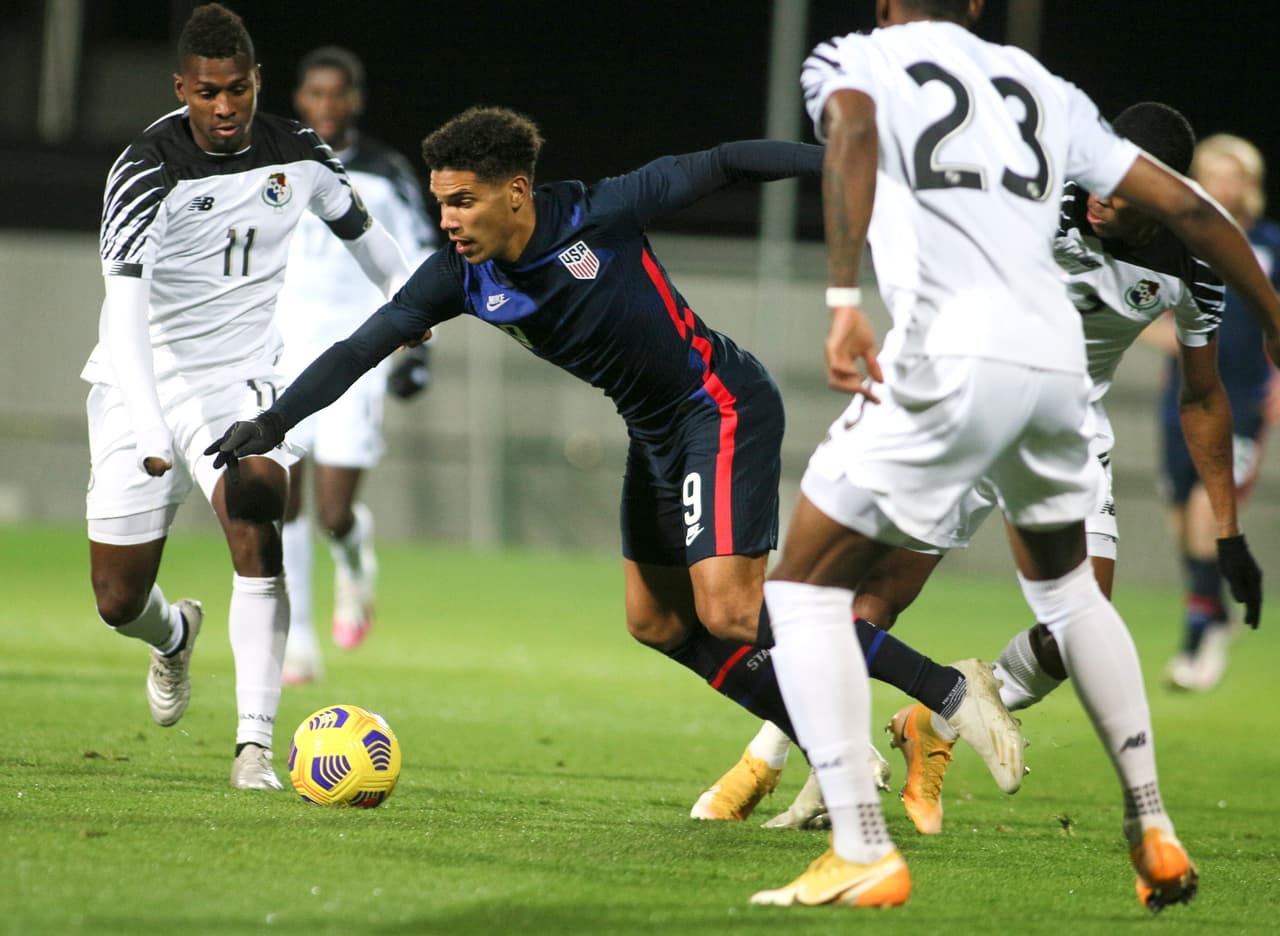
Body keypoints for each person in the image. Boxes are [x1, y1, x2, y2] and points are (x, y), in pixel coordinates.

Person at [205, 106, 1021, 807]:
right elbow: (359, 347)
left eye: (462, 203)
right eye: (440, 203)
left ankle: (950, 691)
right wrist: (273, 422)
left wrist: (842, 162)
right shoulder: (458, 276)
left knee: (733, 613)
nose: (447, 221)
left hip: (718, 404)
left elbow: (726, 163)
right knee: (657, 622)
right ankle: (832, 751)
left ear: (516, 193)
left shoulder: (600, 212)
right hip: (654, 428)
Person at [750, 0, 1280, 913]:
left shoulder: (857, 55)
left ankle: (859, 843)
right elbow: (1195, 211)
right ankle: (1148, 820)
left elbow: (848, 133)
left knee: (801, 589)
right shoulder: (1043, 89)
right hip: (1053, 380)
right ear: (981, 7)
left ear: (885, 6)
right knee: (1069, 597)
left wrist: (843, 295)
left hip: (953, 359)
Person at [83, 4, 410, 790]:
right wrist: (155, 426)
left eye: (238, 89)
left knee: (260, 500)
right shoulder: (143, 169)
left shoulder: (296, 151)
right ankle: (173, 635)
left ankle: (254, 749)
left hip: (244, 378)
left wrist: (407, 299)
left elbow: (362, 229)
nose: (225, 108)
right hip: (145, 379)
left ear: (257, 82)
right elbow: (123, 309)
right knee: (118, 599)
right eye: (207, 92)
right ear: (182, 88)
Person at [275, 46, 436, 685]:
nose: (327, 105)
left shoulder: (386, 175)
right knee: (280, 503)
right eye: (316, 93)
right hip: (281, 358)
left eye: (338, 94)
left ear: (355, 101)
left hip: (355, 361)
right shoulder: (274, 168)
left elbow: (423, 266)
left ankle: (352, 559)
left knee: (333, 511)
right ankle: (300, 641)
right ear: (300, 99)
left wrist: (418, 352)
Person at [1159, 134, 1279, 691]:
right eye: (1209, 172)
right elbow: (1138, 304)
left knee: (1208, 510)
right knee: (1182, 523)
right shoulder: (1176, 240)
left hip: (1242, 405)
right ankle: (1216, 611)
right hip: (1179, 400)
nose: (1219, 185)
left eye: (1229, 174)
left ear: (1249, 183)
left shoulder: (1270, 245)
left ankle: (1195, 644)